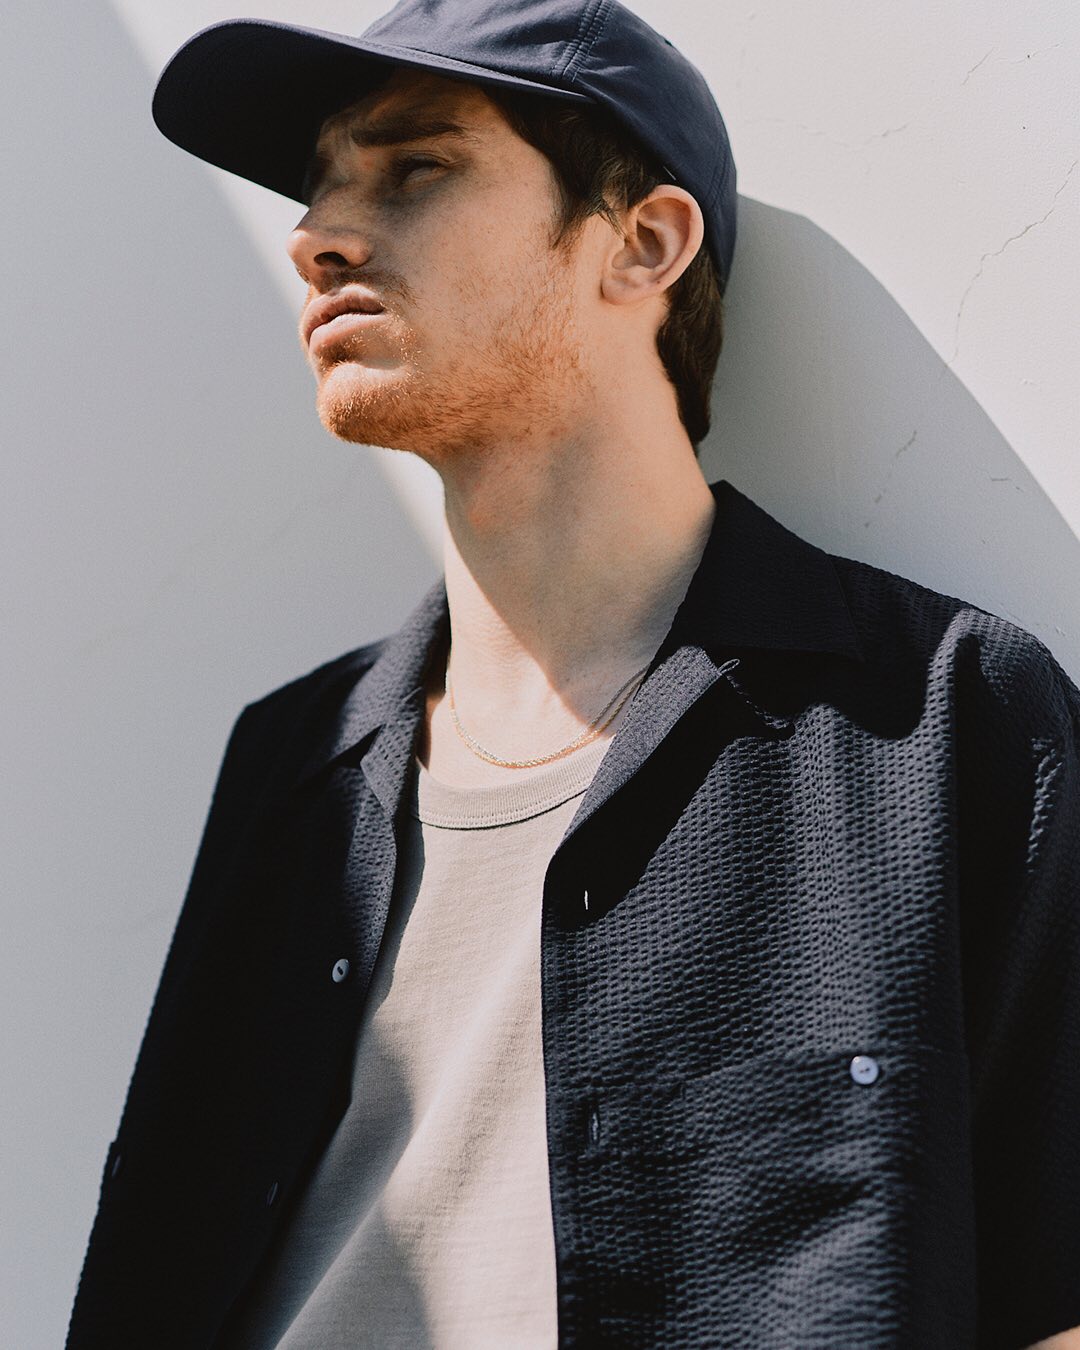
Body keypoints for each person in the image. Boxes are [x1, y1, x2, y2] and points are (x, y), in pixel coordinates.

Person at [66, 1, 1080, 1347]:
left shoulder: (944, 727)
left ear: (642, 242)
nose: (316, 236)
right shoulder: (290, 767)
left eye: (415, 168)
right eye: (318, 188)